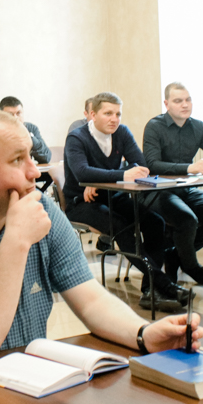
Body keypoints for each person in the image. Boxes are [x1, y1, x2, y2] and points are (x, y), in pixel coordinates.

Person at [0, 108, 203, 372]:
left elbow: (90, 299)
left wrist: (143, 334)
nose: (34, 172)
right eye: (17, 160)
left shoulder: (38, 206)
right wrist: (16, 239)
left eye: (31, 156)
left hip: (21, 380)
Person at [64, 92, 187, 312]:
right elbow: (82, 172)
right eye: (108, 113)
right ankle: (165, 285)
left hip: (112, 196)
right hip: (80, 202)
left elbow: (140, 165)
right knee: (120, 226)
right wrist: (116, 175)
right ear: (93, 114)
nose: (114, 119)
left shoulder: (122, 132)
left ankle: (150, 290)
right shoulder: (77, 138)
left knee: (155, 222)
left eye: (118, 114)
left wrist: (99, 179)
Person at [142, 82, 203, 286]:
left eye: (188, 100)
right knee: (187, 220)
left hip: (186, 189)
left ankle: (176, 256)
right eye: (178, 101)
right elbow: (152, 164)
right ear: (167, 104)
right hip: (158, 190)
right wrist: (189, 167)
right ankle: (191, 264)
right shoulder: (154, 126)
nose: (185, 105)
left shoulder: (198, 127)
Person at [0, 97, 51, 164]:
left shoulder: (31, 128)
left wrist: (30, 137)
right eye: (10, 114)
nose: (15, 118)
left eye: (18, 113)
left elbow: (46, 158)